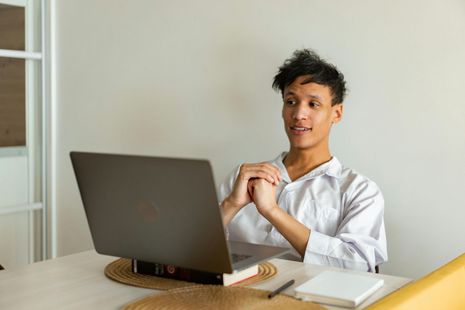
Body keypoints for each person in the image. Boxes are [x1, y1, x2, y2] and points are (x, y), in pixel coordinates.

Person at [219, 49, 387, 272]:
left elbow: (358, 265)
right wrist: (231, 204)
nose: (298, 114)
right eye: (291, 101)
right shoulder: (244, 177)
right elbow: (192, 251)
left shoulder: (360, 190)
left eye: (313, 104)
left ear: (336, 114)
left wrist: (272, 211)